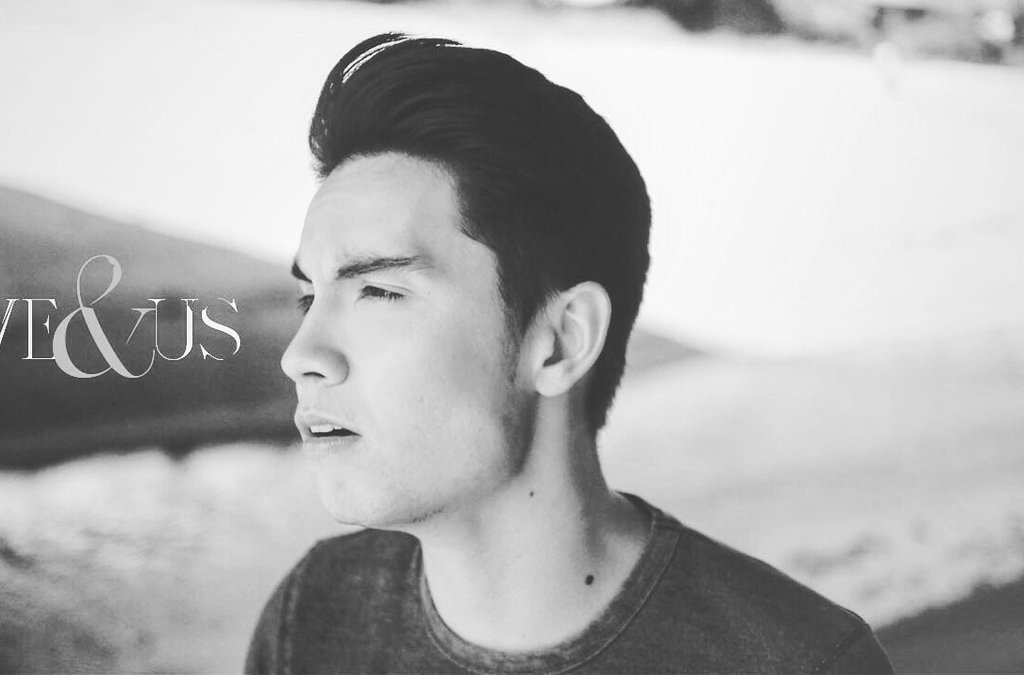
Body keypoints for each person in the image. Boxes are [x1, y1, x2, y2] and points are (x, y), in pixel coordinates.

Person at [246, 33, 894, 674]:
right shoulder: (313, 616)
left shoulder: (801, 663)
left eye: (379, 292)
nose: (302, 355)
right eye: (309, 297)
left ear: (562, 340)